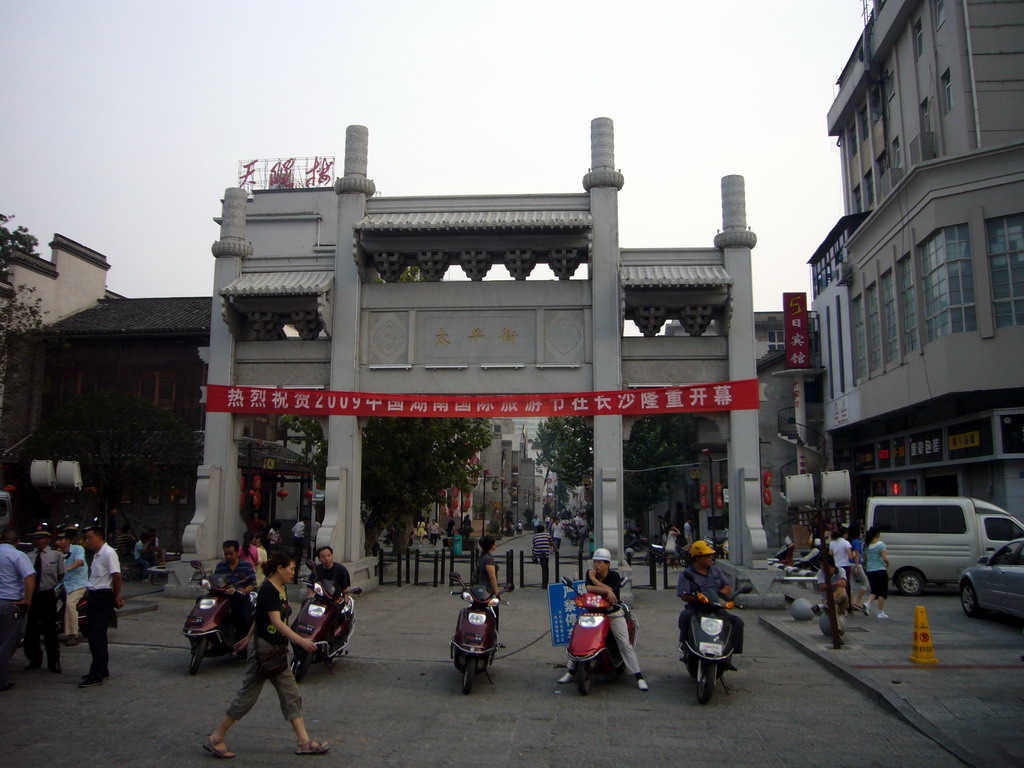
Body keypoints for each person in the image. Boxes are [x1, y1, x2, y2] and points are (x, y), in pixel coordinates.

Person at [205, 552, 329, 759]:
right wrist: (300, 641)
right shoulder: (268, 590)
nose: (293, 573)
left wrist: (248, 635)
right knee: (246, 698)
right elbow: (275, 622)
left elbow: (260, 616)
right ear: (279, 569)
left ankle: (304, 742)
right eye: (290, 568)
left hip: (277, 652)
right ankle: (216, 738)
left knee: (291, 696)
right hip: (265, 651)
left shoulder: (281, 589)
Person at [559, 548, 648, 690]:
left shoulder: (614, 575)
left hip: (612, 613)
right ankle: (570, 671)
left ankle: (638, 676)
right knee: (577, 637)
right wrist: (602, 587)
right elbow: (589, 588)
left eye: (600, 562)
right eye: (595, 561)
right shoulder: (590, 574)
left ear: (607, 564)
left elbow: (611, 589)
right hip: (592, 613)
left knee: (624, 643)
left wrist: (602, 587)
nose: (596, 565)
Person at [677, 540, 744, 669]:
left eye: (711, 556)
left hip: (717, 606)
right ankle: (685, 646)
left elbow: (728, 586)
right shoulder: (686, 574)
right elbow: (684, 595)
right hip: (698, 607)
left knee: (737, 622)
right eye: (707, 556)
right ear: (698, 558)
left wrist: (717, 595)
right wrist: (698, 598)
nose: (710, 559)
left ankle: (729, 654)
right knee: (685, 616)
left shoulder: (716, 570)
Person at [80, 525, 123, 688]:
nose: (87, 541)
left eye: (89, 537)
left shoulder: (108, 553)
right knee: (94, 635)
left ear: (98, 537)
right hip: (94, 594)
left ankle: (96, 673)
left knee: (97, 636)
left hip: (102, 595)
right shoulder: (97, 554)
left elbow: (117, 576)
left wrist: (116, 596)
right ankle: (101, 668)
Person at [23, 529, 65, 674]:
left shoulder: (56, 555)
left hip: (47, 595)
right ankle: (34, 659)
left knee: (50, 630)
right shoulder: (28, 556)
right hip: (32, 596)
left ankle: (54, 661)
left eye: (43, 538)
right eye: (37, 538)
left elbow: (60, 574)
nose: (40, 541)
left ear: (48, 539)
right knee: (31, 630)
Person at [0, 528, 35, 692]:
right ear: (17, 542)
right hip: (10, 603)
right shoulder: (18, 555)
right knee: (7, 643)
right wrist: (27, 600)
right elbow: (29, 577)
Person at [214, 541, 257, 635]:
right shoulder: (220, 566)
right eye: (226, 554)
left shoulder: (247, 565)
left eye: (231, 554)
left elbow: (252, 583)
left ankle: (242, 642)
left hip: (240, 597)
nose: (228, 556)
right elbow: (215, 581)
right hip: (223, 598)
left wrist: (245, 591)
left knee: (245, 620)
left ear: (237, 552)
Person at [56, 529, 88, 646]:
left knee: (70, 604)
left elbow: (80, 561)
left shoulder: (78, 549)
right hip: (61, 584)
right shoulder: (57, 553)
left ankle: (73, 634)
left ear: (68, 540)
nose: (58, 542)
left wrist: (69, 568)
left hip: (77, 584)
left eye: (61, 539)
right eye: (57, 539)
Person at [863, 526, 890, 619]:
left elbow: (865, 559)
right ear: (877, 534)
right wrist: (887, 563)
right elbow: (884, 558)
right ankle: (880, 612)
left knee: (874, 590)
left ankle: (867, 603)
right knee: (882, 592)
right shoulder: (881, 544)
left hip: (870, 570)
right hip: (880, 570)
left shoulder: (866, 545)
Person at [813, 553, 850, 617]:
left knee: (843, 592)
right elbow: (821, 587)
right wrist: (835, 583)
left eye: (822, 564)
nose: (820, 566)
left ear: (829, 565)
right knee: (834, 609)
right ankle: (837, 626)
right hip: (826, 598)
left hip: (838, 598)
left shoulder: (841, 571)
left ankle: (823, 605)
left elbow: (842, 584)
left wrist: (833, 597)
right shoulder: (821, 572)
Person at [848, 523, 868, 613]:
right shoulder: (857, 541)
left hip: (849, 564)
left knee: (852, 586)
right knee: (865, 583)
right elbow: (857, 554)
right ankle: (858, 601)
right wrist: (857, 566)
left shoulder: (849, 541)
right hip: (856, 565)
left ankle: (850, 603)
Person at [829, 525, 854, 597]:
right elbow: (850, 556)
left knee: (837, 584)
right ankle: (846, 602)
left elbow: (830, 555)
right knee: (845, 584)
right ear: (844, 534)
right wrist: (854, 554)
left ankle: (837, 599)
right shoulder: (846, 543)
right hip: (845, 566)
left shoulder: (832, 543)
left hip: (836, 565)